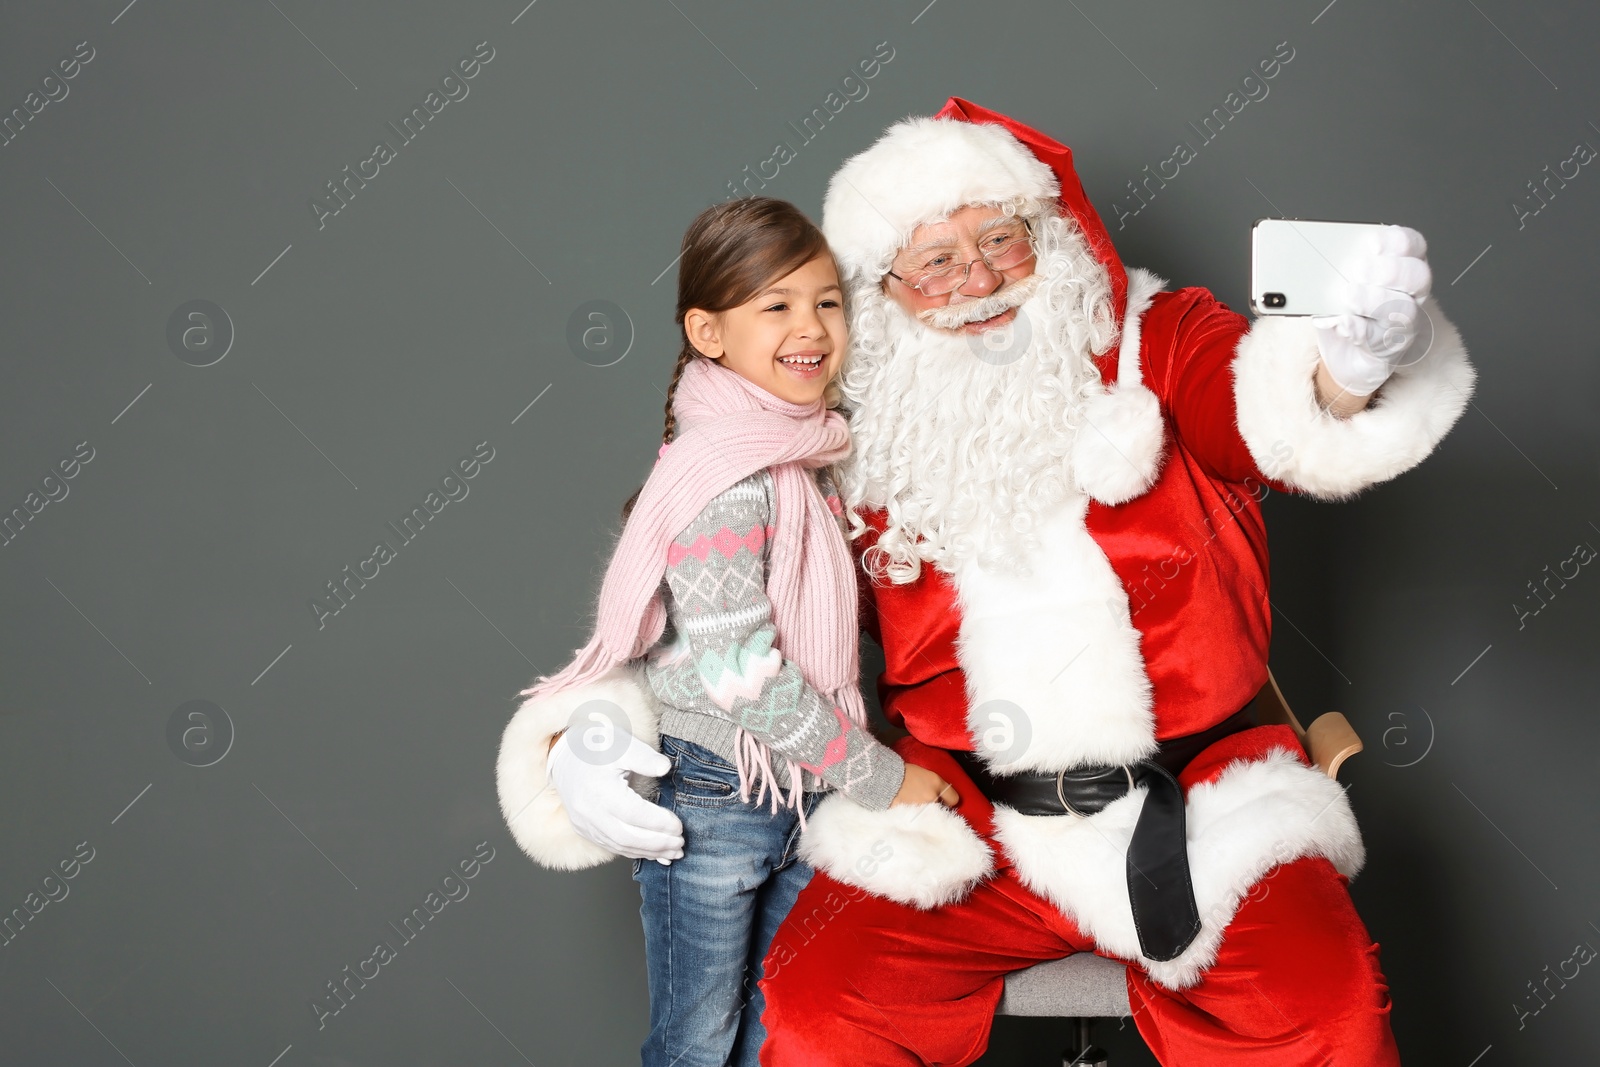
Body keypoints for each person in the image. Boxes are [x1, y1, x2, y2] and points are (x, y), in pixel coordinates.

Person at [753, 99, 1475, 1065]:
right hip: (967, 818)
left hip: (1206, 803)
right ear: (884, 294)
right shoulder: (855, 428)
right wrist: (611, 712)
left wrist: (1346, 370)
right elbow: (726, 582)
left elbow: (1258, 410)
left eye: (1001, 238)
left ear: (1047, 237)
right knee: (818, 1001)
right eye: (933, 261)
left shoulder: (1159, 336)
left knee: (1327, 1010)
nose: (975, 277)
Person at [494, 197, 955, 1067]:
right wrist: (880, 776)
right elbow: (741, 672)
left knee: (773, 1031)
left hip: (801, 785)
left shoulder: (804, 452)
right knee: (698, 1041)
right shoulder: (730, 474)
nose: (810, 325)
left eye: (826, 300)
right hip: (716, 792)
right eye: (773, 306)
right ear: (708, 333)